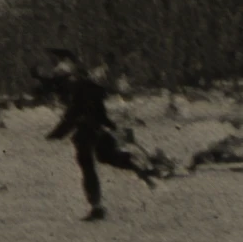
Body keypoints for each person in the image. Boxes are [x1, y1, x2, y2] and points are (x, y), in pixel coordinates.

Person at [42, 49, 157, 221]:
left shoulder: (78, 87)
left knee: (87, 165)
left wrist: (56, 134)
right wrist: (111, 126)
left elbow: (73, 113)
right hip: (96, 130)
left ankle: (96, 206)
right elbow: (99, 113)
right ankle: (135, 164)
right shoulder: (91, 87)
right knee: (106, 157)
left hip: (86, 132)